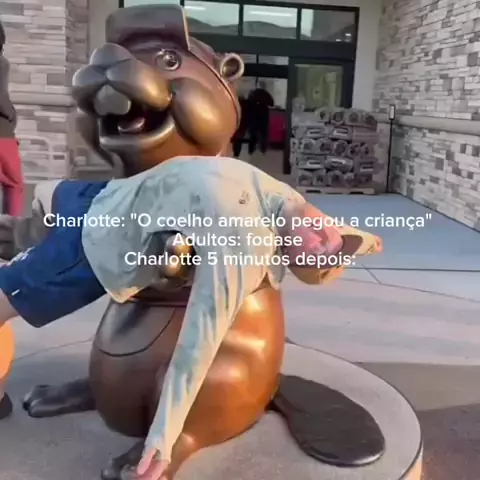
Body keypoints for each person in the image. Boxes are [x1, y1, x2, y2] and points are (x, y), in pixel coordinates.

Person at [0, 156, 381, 479]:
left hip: (92, 241)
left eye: (317, 252)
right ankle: (30, 234)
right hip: (103, 195)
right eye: (331, 236)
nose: (324, 237)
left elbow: (199, 343)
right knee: (39, 217)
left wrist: (162, 439)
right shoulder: (288, 198)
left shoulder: (243, 243)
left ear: (288, 255)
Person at [0, 22, 24, 216]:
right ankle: (13, 227)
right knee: (14, 184)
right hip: (2, 133)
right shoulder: (1, 63)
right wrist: (11, 115)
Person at [247, 81, 274, 155]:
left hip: (253, 116)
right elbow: (272, 103)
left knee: (252, 134)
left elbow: (248, 103)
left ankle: (251, 150)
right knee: (264, 134)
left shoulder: (253, 93)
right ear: (264, 86)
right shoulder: (266, 94)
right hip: (263, 117)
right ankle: (263, 150)